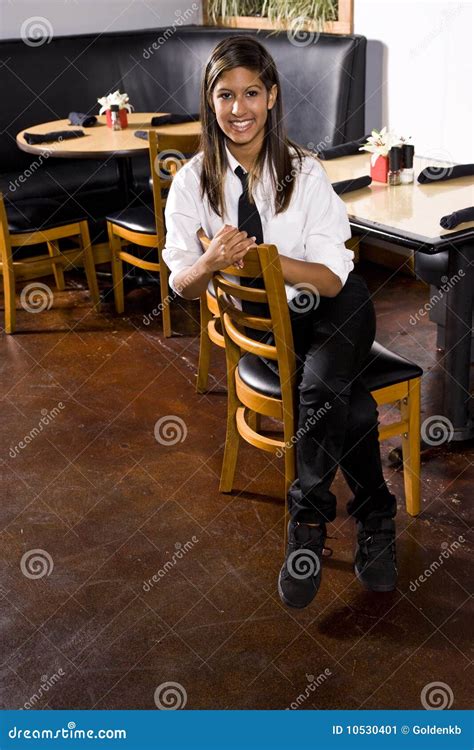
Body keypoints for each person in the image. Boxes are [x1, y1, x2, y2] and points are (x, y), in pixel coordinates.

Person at [162, 35, 398, 609]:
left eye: (251, 93)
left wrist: (262, 261)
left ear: (271, 97)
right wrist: (210, 262)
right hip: (270, 325)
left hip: (336, 309)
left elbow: (333, 279)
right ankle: (376, 518)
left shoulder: (306, 173)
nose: (238, 109)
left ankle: (308, 526)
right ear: (209, 102)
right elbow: (179, 285)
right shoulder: (191, 182)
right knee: (353, 404)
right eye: (225, 95)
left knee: (320, 385)